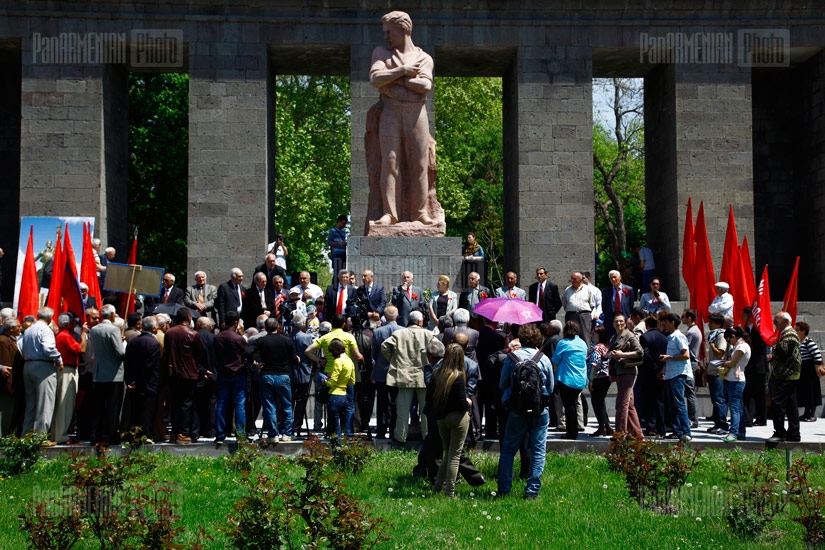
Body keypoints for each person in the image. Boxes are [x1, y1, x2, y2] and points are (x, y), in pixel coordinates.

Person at [368, 11, 436, 227]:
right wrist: (404, 71)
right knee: (389, 162)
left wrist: (396, 80)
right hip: (390, 111)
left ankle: (420, 213)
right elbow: (375, 78)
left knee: (419, 163)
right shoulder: (381, 53)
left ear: (404, 29)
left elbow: (425, 86)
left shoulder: (424, 58)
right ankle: (390, 213)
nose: (386, 36)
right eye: (385, 32)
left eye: (390, 32)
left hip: (416, 113)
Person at [497, 323, 553, 500]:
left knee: (508, 450)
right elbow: (550, 388)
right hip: (539, 409)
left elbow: (502, 384)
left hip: (516, 409)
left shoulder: (512, 358)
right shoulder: (543, 358)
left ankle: (504, 489)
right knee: (538, 450)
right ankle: (532, 491)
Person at [381, 310, 434, 443]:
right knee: (426, 410)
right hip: (424, 376)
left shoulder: (399, 334)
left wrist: (393, 359)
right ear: (420, 321)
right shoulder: (428, 334)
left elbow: (384, 346)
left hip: (404, 375)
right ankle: (427, 436)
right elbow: (438, 349)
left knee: (403, 409)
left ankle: (400, 437)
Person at [428, 343, 471, 497]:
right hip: (457, 419)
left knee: (448, 454)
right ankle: (450, 492)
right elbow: (461, 404)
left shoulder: (436, 374)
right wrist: (469, 402)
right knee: (454, 456)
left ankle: (437, 487)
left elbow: (429, 399)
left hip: (441, 419)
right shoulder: (458, 377)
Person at [253, 317, 298, 443]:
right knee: (286, 406)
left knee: (269, 406)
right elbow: (293, 359)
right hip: (283, 375)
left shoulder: (261, 341)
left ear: (265, 328)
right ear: (278, 326)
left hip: (267, 375)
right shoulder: (287, 340)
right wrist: (297, 359)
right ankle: (287, 434)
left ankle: (273, 435)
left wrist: (256, 363)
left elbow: (248, 352)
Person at [88, 304, 126, 446]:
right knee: (112, 406)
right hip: (113, 374)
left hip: (98, 372)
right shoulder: (113, 329)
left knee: (98, 406)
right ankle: (109, 436)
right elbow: (120, 353)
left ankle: (95, 435)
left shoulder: (94, 329)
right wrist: (121, 344)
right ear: (111, 315)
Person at [165, 308, 204, 444]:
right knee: (186, 404)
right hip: (189, 374)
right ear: (188, 318)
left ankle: (174, 432)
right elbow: (199, 355)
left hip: (173, 373)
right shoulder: (193, 334)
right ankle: (183, 432)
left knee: (174, 403)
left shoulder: (169, 333)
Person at [123, 316, 162, 444]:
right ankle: (145, 435)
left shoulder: (133, 341)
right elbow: (150, 365)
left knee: (135, 410)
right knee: (147, 410)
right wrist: (139, 381)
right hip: (148, 382)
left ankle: (134, 435)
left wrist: (130, 380)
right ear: (153, 327)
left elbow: (127, 362)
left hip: (134, 382)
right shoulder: (154, 343)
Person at [213, 310, 249, 445]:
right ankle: (240, 434)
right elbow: (246, 353)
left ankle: (220, 434)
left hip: (223, 373)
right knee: (239, 404)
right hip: (238, 373)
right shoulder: (237, 338)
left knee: (221, 403)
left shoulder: (217, 337)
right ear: (236, 322)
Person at [53, 313, 88, 444]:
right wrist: (83, 334)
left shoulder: (62, 335)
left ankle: (58, 433)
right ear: (67, 324)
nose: (75, 325)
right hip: (67, 370)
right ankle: (60, 434)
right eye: (73, 323)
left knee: (63, 403)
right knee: (65, 403)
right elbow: (81, 349)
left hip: (67, 369)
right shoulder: (65, 336)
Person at [767, 311, 801, 443]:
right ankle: (794, 433)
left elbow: (781, 350)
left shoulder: (790, 334)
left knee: (777, 402)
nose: (775, 323)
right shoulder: (786, 334)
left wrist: (774, 350)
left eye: (777, 321)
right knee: (791, 405)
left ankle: (780, 433)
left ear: (785, 321)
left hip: (787, 374)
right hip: (787, 374)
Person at [551, 321, 588, 440]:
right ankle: (575, 429)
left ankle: (571, 433)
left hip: (566, 379)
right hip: (580, 380)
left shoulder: (563, 343)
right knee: (575, 404)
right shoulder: (582, 343)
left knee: (569, 406)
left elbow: (555, 360)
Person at [658, 312, 693, 443]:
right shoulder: (670, 337)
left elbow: (686, 355)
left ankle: (686, 431)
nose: (663, 324)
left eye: (665, 322)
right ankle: (677, 431)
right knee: (672, 404)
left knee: (679, 404)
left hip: (679, 374)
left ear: (672, 322)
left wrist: (670, 358)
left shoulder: (679, 337)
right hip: (670, 373)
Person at [608, 314, 644, 438]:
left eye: (621, 321)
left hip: (628, 371)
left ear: (625, 322)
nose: (619, 324)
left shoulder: (629, 335)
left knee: (622, 403)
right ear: (613, 323)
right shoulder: (614, 337)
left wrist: (622, 354)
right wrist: (611, 354)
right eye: (616, 321)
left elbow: (640, 352)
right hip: (619, 371)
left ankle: (620, 433)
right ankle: (637, 433)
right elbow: (610, 353)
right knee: (629, 404)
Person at [371, 306, 403, 439]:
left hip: (381, 371)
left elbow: (373, 354)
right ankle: (394, 429)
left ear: (384, 316)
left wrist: (375, 367)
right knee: (396, 401)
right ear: (397, 316)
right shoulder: (403, 331)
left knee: (382, 402)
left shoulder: (378, 332)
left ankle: (381, 429)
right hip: (398, 371)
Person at [719, 326, 750, 442]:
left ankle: (733, 433)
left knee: (734, 408)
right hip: (734, 379)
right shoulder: (740, 345)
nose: (728, 342)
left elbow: (732, 363)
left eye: (728, 340)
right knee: (738, 408)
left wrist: (721, 363)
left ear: (733, 336)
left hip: (736, 380)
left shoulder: (742, 347)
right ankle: (741, 432)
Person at [323, 339, 356, 438]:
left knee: (335, 425)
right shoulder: (349, 360)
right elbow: (352, 381)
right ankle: (347, 438)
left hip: (335, 395)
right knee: (344, 419)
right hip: (344, 394)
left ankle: (337, 446)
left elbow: (333, 381)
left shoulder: (338, 361)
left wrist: (326, 382)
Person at [705, 313, 729, 435]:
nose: (709, 324)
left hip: (718, 372)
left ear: (718, 324)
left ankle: (722, 425)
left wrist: (712, 345)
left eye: (711, 323)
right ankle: (717, 423)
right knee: (715, 399)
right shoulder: (713, 335)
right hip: (712, 371)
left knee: (719, 399)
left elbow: (720, 353)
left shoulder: (720, 335)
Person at [587, 324, 612, 437]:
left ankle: (601, 427)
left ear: (599, 335)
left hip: (598, 378)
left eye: (594, 333)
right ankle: (607, 426)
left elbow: (595, 364)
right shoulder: (606, 346)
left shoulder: (597, 348)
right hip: (607, 377)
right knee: (600, 403)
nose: (591, 335)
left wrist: (591, 380)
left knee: (597, 403)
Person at [795, 321, 823, 422]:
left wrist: (816, 368)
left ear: (803, 331)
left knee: (812, 392)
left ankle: (812, 414)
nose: (795, 331)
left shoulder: (809, 342)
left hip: (810, 370)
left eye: (797, 329)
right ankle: (806, 413)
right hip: (803, 369)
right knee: (804, 392)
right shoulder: (799, 342)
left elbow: (817, 356)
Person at [561, 272, 597, 349]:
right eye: (571, 279)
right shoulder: (568, 290)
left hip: (584, 316)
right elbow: (564, 304)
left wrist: (583, 312)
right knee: (570, 335)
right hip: (571, 315)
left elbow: (592, 305)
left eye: (574, 279)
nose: (572, 281)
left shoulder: (587, 289)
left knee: (585, 335)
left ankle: (586, 355)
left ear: (580, 280)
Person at [602, 270, 634, 340]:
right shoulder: (606, 291)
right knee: (610, 337)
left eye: (614, 277)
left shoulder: (628, 289)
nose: (613, 279)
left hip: (624, 316)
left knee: (624, 336)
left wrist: (629, 317)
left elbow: (631, 305)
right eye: (611, 278)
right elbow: (604, 306)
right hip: (611, 317)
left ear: (620, 277)